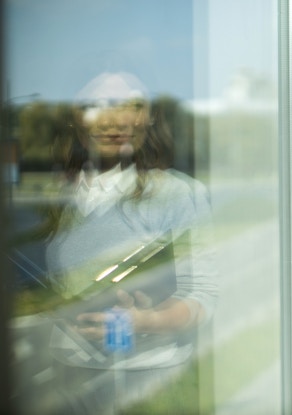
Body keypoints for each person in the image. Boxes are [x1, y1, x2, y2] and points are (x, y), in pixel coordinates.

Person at [15, 72, 218, 414]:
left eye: (129, 105)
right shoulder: (53, 197)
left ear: (147, 118)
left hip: (150, 380)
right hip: (69, 377)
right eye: (97, 105)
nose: (114, 120)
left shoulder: (178, 194)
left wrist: (147, 320)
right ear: (74, 119)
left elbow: (204, 296)